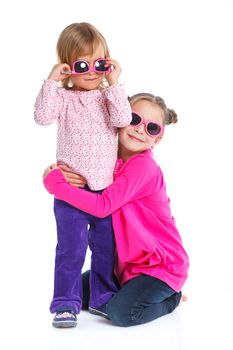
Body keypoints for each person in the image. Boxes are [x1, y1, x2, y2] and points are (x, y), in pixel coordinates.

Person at [43, 92, 189, 327]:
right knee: (75, 294)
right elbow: (78, 166)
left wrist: (56, 185)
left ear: (156, 140)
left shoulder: (143, 166)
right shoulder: (105, 162)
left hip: (160, 267)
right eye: (134, 119)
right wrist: (56, 170)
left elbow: (102, 207)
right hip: (124, 268)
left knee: (121, 313)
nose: (140, 130)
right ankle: (137, 290)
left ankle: (170, 298)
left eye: (152, 128)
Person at [34, 22, 132, 328]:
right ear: (68, 67)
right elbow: (41, 117)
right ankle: (65, 303)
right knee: (70, 248)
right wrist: (52, 81)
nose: (92, 71)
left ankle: (102, 297)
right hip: (72, 193)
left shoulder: (108, 97)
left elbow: (123, 119)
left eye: (99, 63)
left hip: (105, 192)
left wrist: (114, 82)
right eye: (82, 65)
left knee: (106, 248)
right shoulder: (63, 98)